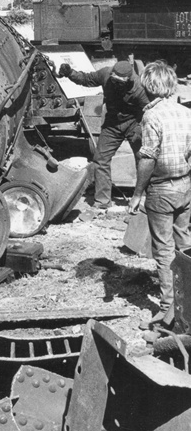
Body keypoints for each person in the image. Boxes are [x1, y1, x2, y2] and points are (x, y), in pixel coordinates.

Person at [128, 61, 191, 325]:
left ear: (149, 86)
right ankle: (187, 301)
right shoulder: (184, 112)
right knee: (185, 245)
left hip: (162, 190)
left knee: (164, 250)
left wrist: (137, 193)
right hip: (185, 186)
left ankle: (169, 310)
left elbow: (148, 159)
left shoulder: (151, 116)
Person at [58, 60, 149, 209]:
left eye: (120, 83)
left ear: (129, 80)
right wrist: (70, 73)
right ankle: (102, 201)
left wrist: (143, 131)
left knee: (143, 159)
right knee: (100, 159)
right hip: (113, 124)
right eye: (114, 81)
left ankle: (144, 199)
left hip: (134, 123)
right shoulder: (106, 73)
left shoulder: (139, 87)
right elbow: (87, 79)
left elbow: (149, 110)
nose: (116, 84)